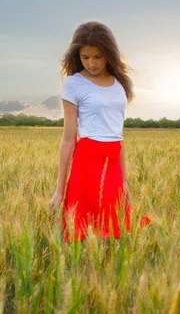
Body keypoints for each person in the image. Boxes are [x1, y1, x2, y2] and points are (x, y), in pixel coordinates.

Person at [49, 21, 151, 242]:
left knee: (114, 232)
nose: (91, 63)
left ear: (109, 54)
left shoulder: (120, 85)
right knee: (83, 231)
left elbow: (119, 136)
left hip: (113, 160)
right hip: (86, 161)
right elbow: (68, 139)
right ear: (77, 56)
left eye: (98, 56)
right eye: (85, 57)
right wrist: (60, 190)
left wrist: (124, 181)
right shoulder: (74, 84)